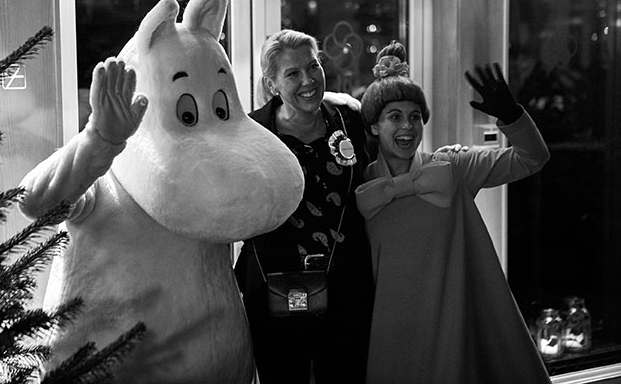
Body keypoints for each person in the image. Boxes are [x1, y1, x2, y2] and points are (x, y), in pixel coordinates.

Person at [354, 40, 552, 383]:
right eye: (395, 117)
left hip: (452, 329)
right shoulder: (360, 185)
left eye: (415, 117)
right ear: (373, 126)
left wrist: (511, 117)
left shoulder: (452, 167)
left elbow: (532, 158)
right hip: (392, 336)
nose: (407, 127)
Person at [234, 29, 374, 384]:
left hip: (347, 286)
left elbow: (378, 174)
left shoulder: (349, 120)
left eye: (313, 67)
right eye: (293, 73)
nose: (308, 80)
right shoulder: (250, 133)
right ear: (272, 84)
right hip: (276, 288)